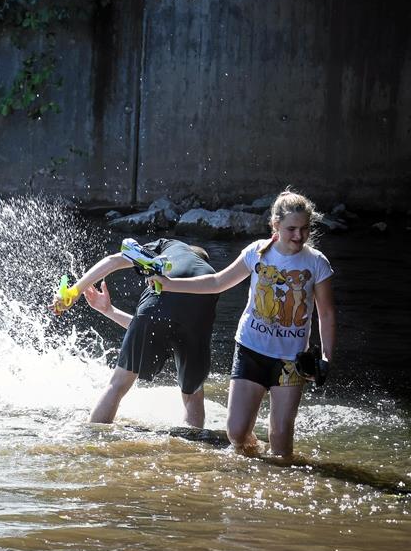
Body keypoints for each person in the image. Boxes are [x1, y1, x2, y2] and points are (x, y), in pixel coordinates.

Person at [149, 188, 335, 459]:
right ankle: (255, 462)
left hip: (291, 361)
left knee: (281, 440)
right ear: (276, 225)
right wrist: (170, 284)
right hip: (250, 350)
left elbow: (327, 314)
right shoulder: (256, 253)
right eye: (291, 229)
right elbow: (217, 282)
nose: (298, 236)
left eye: (304, 229)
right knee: (236, 433)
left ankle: (278, 483)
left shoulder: (317, 263)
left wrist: (327, 358)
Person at [53, 239, 218, 427]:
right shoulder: (210, 276)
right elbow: (177, 318)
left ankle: (93, 436)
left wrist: (75, 291)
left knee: (118, 384)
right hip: (201, 306)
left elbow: (115, 260)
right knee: (193, 395)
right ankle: (193, 449)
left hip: (156, 304)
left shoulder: (170, 245)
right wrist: (110, 311)